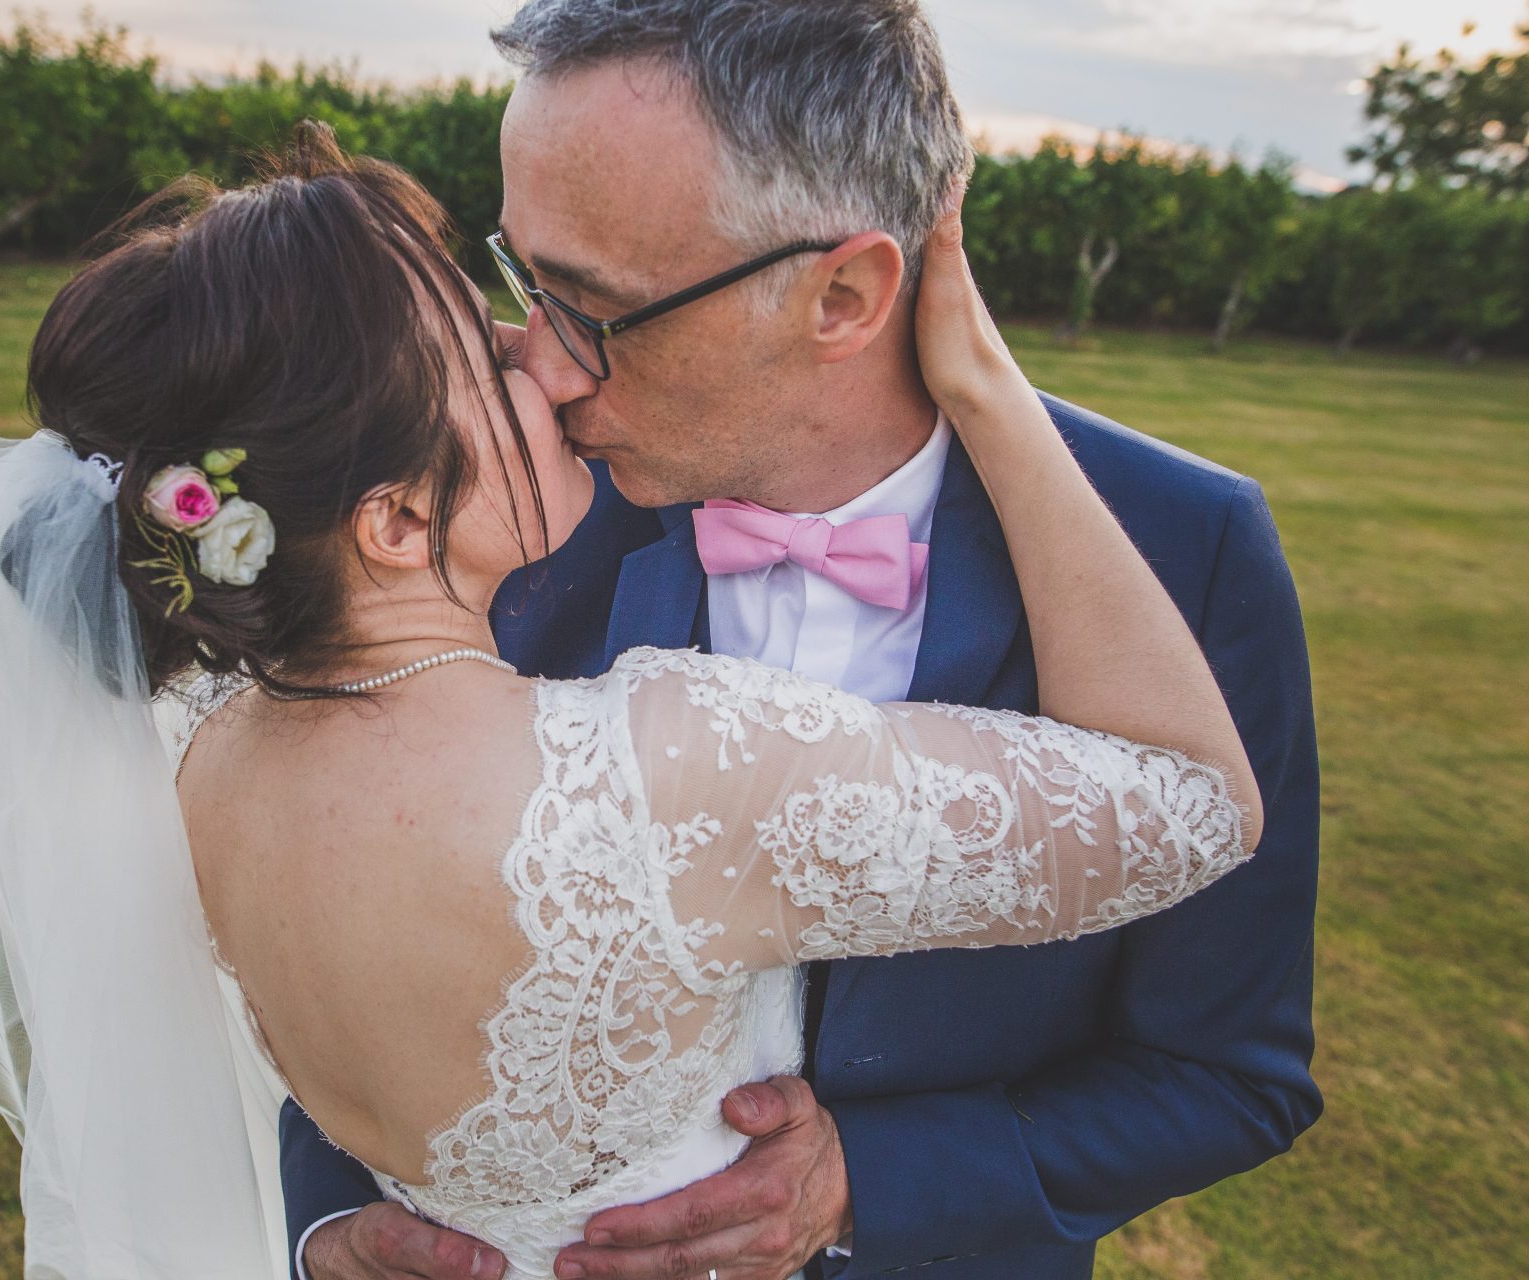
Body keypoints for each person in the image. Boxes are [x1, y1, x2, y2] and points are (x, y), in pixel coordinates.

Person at [0, 120, 1271, 1280]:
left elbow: (1234, 1066)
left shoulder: (202, 763)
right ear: (397, 523)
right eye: (482, 345)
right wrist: (991, 389)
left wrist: (345, 1231)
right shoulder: (664, 770)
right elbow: (1193, 803)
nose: (543, 358)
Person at [283, 4, 1322, 1280]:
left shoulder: (1184, 547)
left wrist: (868, 1182)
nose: (541, 372)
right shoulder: (507, 518)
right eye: (525, 283)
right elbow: (334, 903)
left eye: (593, 309)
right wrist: (336, 1219)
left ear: (846, 292)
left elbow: (1228, 1073)